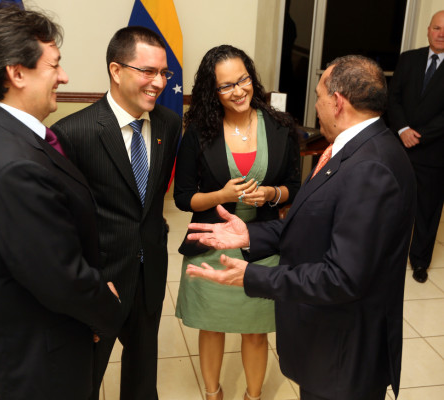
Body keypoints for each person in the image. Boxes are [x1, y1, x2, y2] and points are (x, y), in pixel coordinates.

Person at [185, 55, 416, 400]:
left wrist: (251, 276)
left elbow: (341, 278)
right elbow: (312, 225)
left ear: (338, 102)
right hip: (329, 346)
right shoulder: (354, 149)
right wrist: (250, 235)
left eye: (319, 97)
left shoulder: (371, 168)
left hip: (343, 358)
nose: (316, 107)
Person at [0, 5, 122, 399]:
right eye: (54, 65)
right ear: (17, 73)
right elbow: (61, 280)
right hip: (43, 358)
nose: (64, 76)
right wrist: (106, 309)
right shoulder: (14, 166)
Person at [51, 26, 182, 400]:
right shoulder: (73, 133)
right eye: (148, 71)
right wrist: (84, 286)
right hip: (101, 278)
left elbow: (151, 202)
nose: (159, 82)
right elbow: (61, 224)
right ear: (116, 70)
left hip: (150, 272)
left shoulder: (169, 124)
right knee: (84, 378)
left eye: (164, 73)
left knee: (142, 377)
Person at [173, 45, 300, 400]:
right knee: (211, 327)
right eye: (226, 86)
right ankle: (213, 394)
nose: (238, 91)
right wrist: (221, 195)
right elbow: (184, 197)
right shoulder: (199, 132)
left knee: (256, 332)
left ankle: (252, 397)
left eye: (243, 80)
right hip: (211, 243)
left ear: (252, 78)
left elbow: (294, 187)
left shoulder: (280, 126)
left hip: (262, 246)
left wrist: (272, 193)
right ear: (212, 92)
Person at [388, 10, 444, 283]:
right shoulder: (408, 59)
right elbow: (393, 98)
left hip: (434, 152)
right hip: (400, 148)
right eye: (437, 28)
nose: (441, 34)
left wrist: (418, 135)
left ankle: (420, 261)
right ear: (428, 30)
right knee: (391, 205)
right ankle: (386, 256)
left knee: (427, 212)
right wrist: (402, 129)